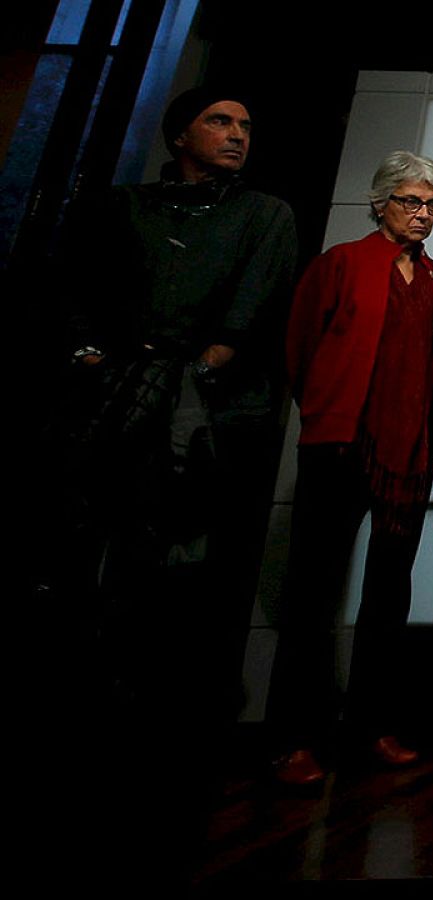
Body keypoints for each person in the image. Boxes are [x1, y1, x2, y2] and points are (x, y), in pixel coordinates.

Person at [47, 84, 298, 879]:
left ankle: (179, 755)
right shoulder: (118, 207)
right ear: (179, 131)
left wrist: (202, 369)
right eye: (220, 121)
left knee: (191, 579)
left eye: (246, 124)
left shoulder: (265, 215)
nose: (237, 135)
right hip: (109, 411)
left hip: (209, 424)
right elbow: (73, 294)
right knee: (92, 569)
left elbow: (252, 312)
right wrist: (97, 361)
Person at [266, 151, 433, 786]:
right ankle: (294, 737)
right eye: (410, 201)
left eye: (431, 204)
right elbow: (299, 350)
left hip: (408, 454)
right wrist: (325, 413)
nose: (421, 214)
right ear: (380, 204)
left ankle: (372, 726)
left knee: (387, 596)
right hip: (338, 445)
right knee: (313, 593)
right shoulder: (340, 262)